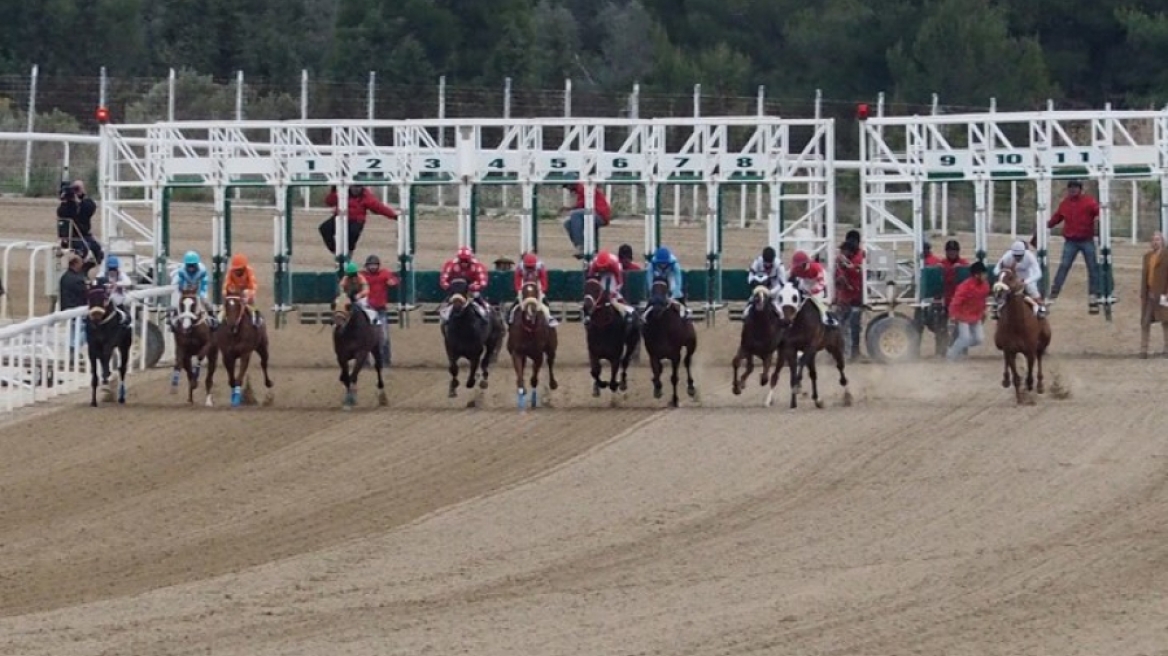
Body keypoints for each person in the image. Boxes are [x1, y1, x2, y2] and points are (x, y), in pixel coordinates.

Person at [1047, 180, 1102, 307]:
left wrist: (1100, 218)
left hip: (1086, 239)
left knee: (1092, 267)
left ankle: (1093, 294)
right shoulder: (1065, 204)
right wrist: (1047, 224)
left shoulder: (1089, 202)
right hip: (1071, 241)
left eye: (1075, 188)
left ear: (1080, 189)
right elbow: (1057, 217)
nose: (1073, 190)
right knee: (1064, 266)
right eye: (1071, 188)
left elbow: (1098, 211)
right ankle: (1054, 292)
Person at [319, 185, 400, 257]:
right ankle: (336, 252)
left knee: (353, 232)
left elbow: (380, 208)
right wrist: (333, 192)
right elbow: (329, 202)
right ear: (350, 186)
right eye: (354, 187)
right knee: (324, 228)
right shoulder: (342, 191)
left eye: (358, 187)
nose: (356, 189)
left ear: (362, 187)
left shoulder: (366, 196)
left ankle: (349, 252)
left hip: (356, 220)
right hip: (340, 217)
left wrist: (394, 215)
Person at [945, 261, 991, 361]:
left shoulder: (985, 285)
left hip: (976, 315)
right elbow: (956, 301)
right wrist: (952, 315)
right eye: (983, 273)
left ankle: (955, 347)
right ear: (976, 275)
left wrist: (984, 311)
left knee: (979, 339)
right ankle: (951, 356)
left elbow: (983, 300)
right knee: (964, 338)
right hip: (963, 316)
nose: (986, 275)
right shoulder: (964, 286)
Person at [995, 240, 1047, 318]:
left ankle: (1040, 307)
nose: (1018, 258)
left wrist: (1025, 282)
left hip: (1026, 277)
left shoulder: (1029, 256)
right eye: (1015, 256)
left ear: (1024, 253)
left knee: (1031, 288)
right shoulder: (1007, 256)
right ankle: (997, 306)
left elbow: (1038, 273)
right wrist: (1004, 272)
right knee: (1000, 287)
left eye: (1020, 256)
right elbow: (996, 270)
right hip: (1011, 277)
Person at [56, 179, 103, 267]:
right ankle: (77, 269)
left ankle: (87, 269)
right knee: (83, 249)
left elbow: (90, 208)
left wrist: (79, 199)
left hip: (85, 235)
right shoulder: (66, 207)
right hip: (72, 238)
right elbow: (63, 213)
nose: (75, 191)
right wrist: (67, 200)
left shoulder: (86, 203)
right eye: (75, 189)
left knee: (97, 249)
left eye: (78, 189)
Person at [438, 246, 490, 324]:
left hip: (471, 291)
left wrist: (474, 287)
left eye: (466, 261)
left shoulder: (478, 266)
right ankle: (445, 319)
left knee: (477, 297)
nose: (464, 263)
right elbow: (443, 279)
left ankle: (486, 314)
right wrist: (450, 287)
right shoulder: (451, 265)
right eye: (461, 261)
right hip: (456, 291)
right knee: (448, 303)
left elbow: (483, 282)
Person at [363, 254, 399, 364]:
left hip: (380, 310)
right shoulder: (362, 275)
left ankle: (385, 360)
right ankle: (364, 360)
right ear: (367, 266)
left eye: (375, 265)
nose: (373, 267)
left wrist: (393, 282)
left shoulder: (384, 273)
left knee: (384, 336)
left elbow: (394, 279)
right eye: (371, 265)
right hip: (366, 310)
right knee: (364, 336)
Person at [561, 182, 612, 258]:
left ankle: (581, 246)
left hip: (600, 214)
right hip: (592, 211)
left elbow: (580, 206)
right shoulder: (581, 188)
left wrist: (568, 209)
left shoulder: (583, 187)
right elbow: (582, 206)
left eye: (567, 186)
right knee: (567, 223)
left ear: (571, 184)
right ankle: (581, 245)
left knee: (575, 214)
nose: (568, 189)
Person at [788, 250, 838, 326]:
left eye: (801, 265)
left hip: (818, 282)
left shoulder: (816, 267)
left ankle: (827, 318)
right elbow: (789, 281)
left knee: (817, 301)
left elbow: (821, 283)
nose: (799, 268)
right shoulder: (795, 269)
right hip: (805, 282)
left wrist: (812, 291)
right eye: (798, 266)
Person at [585, 249, 634, 325]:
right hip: (599, 274)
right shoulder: (593, 264)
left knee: (612, 295)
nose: (602, 269)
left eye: (603, 267)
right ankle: (588, 315)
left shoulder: (615, 264)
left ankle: (627, 311)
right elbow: (590, 281)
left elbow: (619, 283)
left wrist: (613, 294)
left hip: (612, 273)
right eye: (600, 267)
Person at [833, 240, 864, 359]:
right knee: (843, 326)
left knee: (849, 328)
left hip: (853, 299)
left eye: (843, 251)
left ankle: (848, 354)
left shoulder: (857, 260)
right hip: (846, 299)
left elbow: (855, 271)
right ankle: (845, 353)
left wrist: (845, 265)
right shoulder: (848, 260)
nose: (842, 253)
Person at [1139, 231, 1168, 358]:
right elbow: (1144, 276)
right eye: (1153, 240)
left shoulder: (1166, 256)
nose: (1155, 242)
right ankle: (1143, 350)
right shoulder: (1147, 257)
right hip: (1150, 294)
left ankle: (1167, 348)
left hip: (1163, 293)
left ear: (1162, 241)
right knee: (1145, 322)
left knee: (1166, 321)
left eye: (1158, 239)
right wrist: (1143, 293)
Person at [169, 251, 216, 328]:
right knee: (176, 303)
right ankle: (172, 320)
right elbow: (180, 283)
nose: (191, 268)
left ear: (196, 264)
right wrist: (183, 293)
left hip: (199, 288)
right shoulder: (181, 271)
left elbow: (204, 284)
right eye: (189, 265)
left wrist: (201, 295)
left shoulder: (202, 271)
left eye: (193, 265)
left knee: (206, 303)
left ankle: (213, 318)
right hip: (186, 288)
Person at [512, 251, 558, 326]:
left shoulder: (540, 267)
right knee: (515, 303)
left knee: (545, 302)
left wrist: (542, 289)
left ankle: (549, 317)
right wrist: (519, 290)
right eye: (528, 267)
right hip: (524, 285)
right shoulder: (520, 267)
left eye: (531, 267)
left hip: (537, 286)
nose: (530, 269)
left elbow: (544, 280)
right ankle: (510, 318)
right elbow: (517, 280)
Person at [645, 246, 690, 320]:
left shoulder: (675, 264)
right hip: (658, 275)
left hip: (670, 274)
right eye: (660, 263)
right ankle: (645, 312)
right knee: (656, 288)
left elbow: (678, 280)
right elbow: (649, 277)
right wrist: (651, 289)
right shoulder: (652, 264)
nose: (662, 265)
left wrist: (675, 293)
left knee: (673, 288)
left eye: (664, 263)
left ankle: (685, 309)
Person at [744, 246, 787, 318]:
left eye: (769, 262)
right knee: (750, 304)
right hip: (760, 287)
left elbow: (782, 283)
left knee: (779, 311)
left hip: (774, 289)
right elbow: (751, 275)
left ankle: (782, 322)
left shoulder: (779, 265)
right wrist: (753, 283)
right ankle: (745, 316)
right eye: (765, 262)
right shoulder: (758, 261)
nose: (767, 264)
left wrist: (771, 292)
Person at [220, 252, 261, 326]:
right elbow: (225, 286)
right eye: (235, 269)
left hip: (246, 292)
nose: (237, 271)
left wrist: (248, 294)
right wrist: (225, 292)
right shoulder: (230, 272)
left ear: (244, 267)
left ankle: (256, 317)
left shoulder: (249, 271)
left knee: (252, 300)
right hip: (235, 292)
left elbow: (254, 286)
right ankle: (220, 318)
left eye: (239, 269)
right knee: (226, 302)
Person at [60, 253, 89, 351]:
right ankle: (74, 347)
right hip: (77, 309)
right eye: (81, 263)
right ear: (75, 264)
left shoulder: (65, 276)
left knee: (73, 331)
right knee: (88, 329)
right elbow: (85, 293)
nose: (82, 265)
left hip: (66, 308)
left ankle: (72, 348)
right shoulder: (77, 279)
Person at [338, 260, 380, 325]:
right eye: (350, 275)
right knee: (340, 306)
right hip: (348, 297)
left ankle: (373, 322)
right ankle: (338, 323)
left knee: (364, 306)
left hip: (360, 298)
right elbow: (341, 288)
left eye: (353, 274)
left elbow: (366, 289)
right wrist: (344, 295)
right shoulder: (345, 278)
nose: (352, 276)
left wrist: (359, 295)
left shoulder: (361, 278)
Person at [102, 255, 134, 328]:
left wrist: (117, 284)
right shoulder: (103, 274)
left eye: (114, 268)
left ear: (117, 268)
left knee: (128, 318)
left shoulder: (121, 274)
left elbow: (128, 282)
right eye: (110, 268)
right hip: (106, 301)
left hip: (118, 302)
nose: (112, 270)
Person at [937, 240, 969, 310]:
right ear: (946, 252)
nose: (952, 253)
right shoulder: (942, 263)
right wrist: (938, 271)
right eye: (949, 250)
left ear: (958, 252)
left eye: (954, 250)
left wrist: (961, 269)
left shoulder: (964, 263)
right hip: (946, 298)